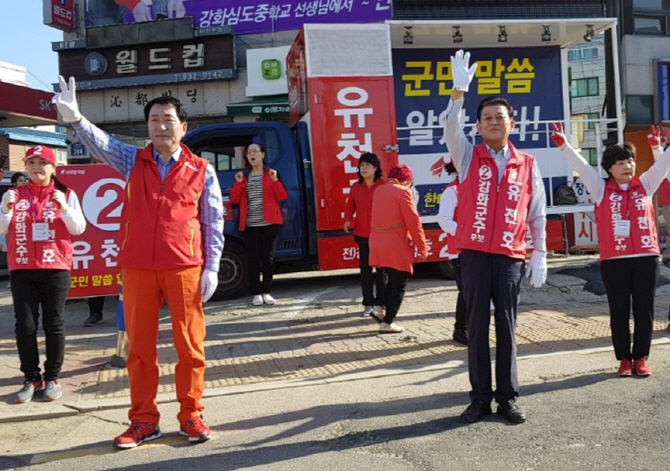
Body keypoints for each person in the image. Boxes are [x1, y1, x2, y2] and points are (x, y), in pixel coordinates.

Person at [55, 76, 224, 448]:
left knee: (190, 347)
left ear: (183, 126)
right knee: (141, 350)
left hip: (183, 266)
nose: (161, 126)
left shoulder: (201, 170)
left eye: (168, 119)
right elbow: (103, 144)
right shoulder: (134, 160)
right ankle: (144, 420)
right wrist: (76, 120)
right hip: (137, 268)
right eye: (153, 120)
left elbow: (213, 221)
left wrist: (211, 266)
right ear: (147, 127)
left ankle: (191, 414)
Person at [445, 50, 547, 425]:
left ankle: (508, 398)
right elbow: (450, 129)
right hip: (472, 253)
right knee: (476, 328)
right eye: (486, 118)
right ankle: (479, 398)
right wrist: (459, 92)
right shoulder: (468, 157)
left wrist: (540, 255)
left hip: (509, 256)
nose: (492, 122)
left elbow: (536, 213)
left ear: (512, 124)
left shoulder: (529, 164)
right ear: (478, 125)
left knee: (506, 327)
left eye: (499, 117)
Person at [552, 123, 670, 377]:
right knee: (619, 309)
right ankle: (624, 359)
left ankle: (641, 357)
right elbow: (582, 167)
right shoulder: (601, 188)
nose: (627, 166)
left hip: (646, 257)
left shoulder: (646, 185)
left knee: (644, 308)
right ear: (609, 168)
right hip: (614, 259)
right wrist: (564, 146)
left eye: (629, 161)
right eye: (620, 163)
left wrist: (659, 147)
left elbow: (663, 165)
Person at [0, 146, 86, 404]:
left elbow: (79, 228)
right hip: (23, 267)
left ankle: (52, 377)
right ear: (25, 167)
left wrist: (64, 209)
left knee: (54, 324)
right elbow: (2, 229)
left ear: (53, 167)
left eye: (42, 162)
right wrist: (5, 209)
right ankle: (31, 378)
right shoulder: (15, 194)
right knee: (25, 326)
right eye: (31, 162)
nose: (37, 167)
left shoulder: (66, 194)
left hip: (55, 268)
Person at [369, 164, 428, 334]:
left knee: (392, 280)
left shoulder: (379, 191)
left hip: (378, 243)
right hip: (396, 244)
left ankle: (379, 306)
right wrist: (422, 246)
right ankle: (387, 323)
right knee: (400, 284)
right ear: (407, 181)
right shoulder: (403, 192)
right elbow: (413, 221)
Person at [230, 143, 287, 306]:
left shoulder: (272, 174)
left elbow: (282, 196)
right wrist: (239, 183)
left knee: (268, 259)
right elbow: (234, 199)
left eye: (255, 151)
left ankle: (267, 292)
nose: (252, 154)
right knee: (253, 259)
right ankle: (256, 293)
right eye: (249, 152)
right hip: (250, 224)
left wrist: (275, 180)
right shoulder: (243, 176)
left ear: (262, 154)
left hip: (270, 223)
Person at [344, 152, 387, 319]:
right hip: (362, 233)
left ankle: (380, 302)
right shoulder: (356, 187)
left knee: (382, 270)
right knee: (365, 270)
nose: (364, 168)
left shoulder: (383, 186)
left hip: (381, 234)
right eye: (361, 166)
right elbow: (350, 207)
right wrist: (347, 220)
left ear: (376, 168)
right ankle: (368, 302)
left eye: (367, 165)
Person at [436, 161, 468, 346]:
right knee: (466, 291)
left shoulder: (475, 187)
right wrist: (466, 232)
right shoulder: (452, 190)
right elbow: (444, 220)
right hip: (459, 250)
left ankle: (470, 327)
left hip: (476, 249)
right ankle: (460, 330)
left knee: (474, 292)